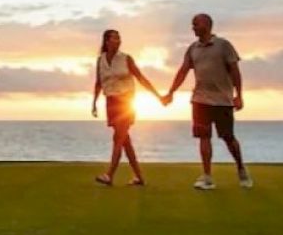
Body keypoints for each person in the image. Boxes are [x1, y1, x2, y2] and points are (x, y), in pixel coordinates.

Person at [162, 13, 251, 190]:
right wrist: (171, 92)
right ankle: (207, 176)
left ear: (207, 25)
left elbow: (235, 72)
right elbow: (183, 71)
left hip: (222, 100)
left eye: (196, 24)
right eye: (192, 24)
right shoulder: (192, 48)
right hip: (200, 99)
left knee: (228, 137)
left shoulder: (223, 45)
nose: (193, 27)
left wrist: (239, 95)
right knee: (203, 136)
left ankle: (241, 168)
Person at [90, 28, 162, 186]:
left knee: (119, 138)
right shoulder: (100, 60)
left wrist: (158, 96)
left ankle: (109, 175)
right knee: (124, 140)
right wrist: (94, 102)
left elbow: (141, 78)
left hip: (126, 101)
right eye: (114, 38)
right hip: (111, 101)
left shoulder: (126, 58)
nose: (118, 41)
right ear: (107, 41)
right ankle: (139, 177)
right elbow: (99, 82)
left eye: (119, 38)